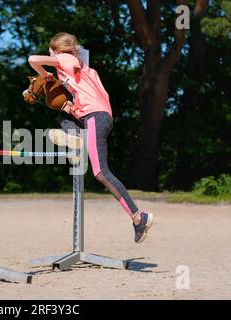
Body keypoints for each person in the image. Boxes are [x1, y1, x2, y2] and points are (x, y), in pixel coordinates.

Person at [28, 32, 154, 243]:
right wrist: (71, 105)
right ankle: (74, 137)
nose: (51, 55)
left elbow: (32, 59)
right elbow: (90, 97)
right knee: (63, 113)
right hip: (98, 116)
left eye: (51, 52)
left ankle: (138, 216)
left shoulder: (66, 60)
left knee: (100, 172)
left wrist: (45, 73)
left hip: (95, 118)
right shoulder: (84, 69)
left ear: (56, 51)